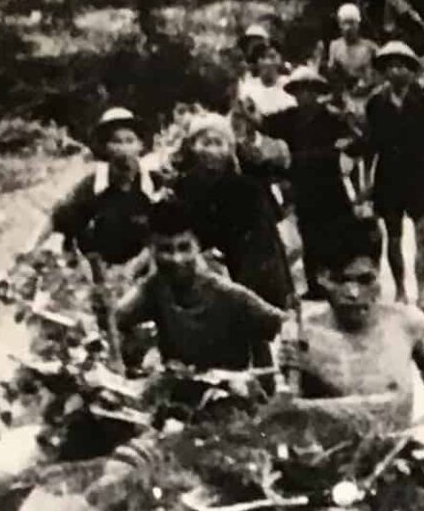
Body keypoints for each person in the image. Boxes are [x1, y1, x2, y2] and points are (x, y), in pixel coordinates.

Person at [285, 215, 424, 416]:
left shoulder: (406, 323)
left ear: (377, 273)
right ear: (322, 278)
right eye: (342, 280)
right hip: (334, 445)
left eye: (365, 280)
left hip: (397, 442)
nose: (354, 293)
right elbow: (289, 413)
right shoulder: (303, 335)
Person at [115, 196, 288, 375]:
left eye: (184, 248)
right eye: (166, 249)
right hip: (176, 393)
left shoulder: (226, 294)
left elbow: (285, 326)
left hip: (229, 395)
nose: (176, 259)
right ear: (151, 249)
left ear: (197, 247)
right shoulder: (154, 289)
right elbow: (114, 320)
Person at [167, 113, 294, 311]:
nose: (212, 151)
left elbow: (262, 246)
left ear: (229, 149)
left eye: (219, 143)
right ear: (192, 147)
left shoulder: (247, 189)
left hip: (247, 275)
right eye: (205, 143)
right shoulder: (184, 188)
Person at [256, 65, 361, 298]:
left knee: (335, 231)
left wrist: (345, 144)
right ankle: (314, 284)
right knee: (308, 233)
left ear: (317, 92)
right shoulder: (288, 118)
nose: (305, 96)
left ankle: (337, 281)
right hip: (302, 184)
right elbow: (262, 123)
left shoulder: (332, 117)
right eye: (300, 91)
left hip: (329, 183)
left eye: (310, 90)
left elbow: (356, 141)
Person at [358, 41, 424, 314]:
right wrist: (366, 184)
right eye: (391, 66)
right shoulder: (375, 103)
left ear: (412, 71)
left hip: (419, 176)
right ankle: (400, 291)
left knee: (423, 237)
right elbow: (369, 148)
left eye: (402, 66)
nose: (396, 72)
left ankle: (422, 294)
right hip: (389, 177)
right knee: (393, 237)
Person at [41, 105, 159, 270]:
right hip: (97, 271)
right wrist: (29, 254)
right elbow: (58, 219)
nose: (123, 149)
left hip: (142, 270)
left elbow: (166, 234)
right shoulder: (92, 186)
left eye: (129, 141)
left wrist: (136, 266)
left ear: (140, 145)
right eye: (116, 141)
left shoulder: (154, 185)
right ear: (105, 147)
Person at [320, 3, 380, 112]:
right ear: (340, 25)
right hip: (345, 99)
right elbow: (333, 76)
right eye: (345, 23)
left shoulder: (370, 48)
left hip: (368, 97)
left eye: (352, 23)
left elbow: (380, 74)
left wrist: (369, 83)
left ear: (358, 24)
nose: (348, 28)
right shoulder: (335, 46)